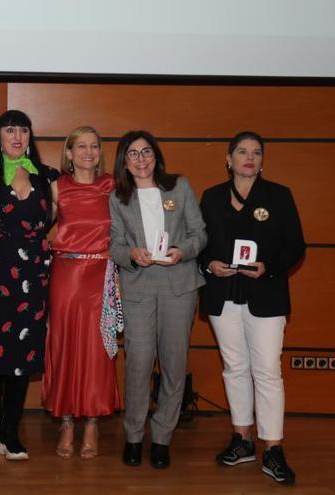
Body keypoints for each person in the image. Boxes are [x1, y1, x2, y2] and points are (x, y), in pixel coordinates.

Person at [199, 131, 305, 484]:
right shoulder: (212, 197)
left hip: (267, 295)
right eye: (242, 152)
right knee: (234, 367)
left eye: (256, 152)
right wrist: (209, 264)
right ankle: (242, 440)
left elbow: (295, 247)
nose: (249, 157)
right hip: (222, 293)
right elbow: (200, 244)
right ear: (228, 160)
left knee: (267, 371)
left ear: (262, 160)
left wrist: (269, 267)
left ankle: (272, 447)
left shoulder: (279, 195)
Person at [109, 130, 207, 469]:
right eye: (132, 153)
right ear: (124, 161)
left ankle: (162, 436)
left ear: (156, 155)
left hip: (178, 286)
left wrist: (183, 251)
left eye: (146, 151)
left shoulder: (178, 187)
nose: (140, 159)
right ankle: (134, 436)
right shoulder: (118, 197)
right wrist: (131, 254)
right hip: (138, 286)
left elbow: (200, 233)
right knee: (138, 363)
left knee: (174, 363)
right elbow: (115, 245)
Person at [0, 110, 57, 461]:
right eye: (10, 129)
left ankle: (11, 430)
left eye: (23, 129)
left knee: (24, 355)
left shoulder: (48, 177)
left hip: (34, 275)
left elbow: (62, 220)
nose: (17, 135)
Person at [42, 126, 122, 460]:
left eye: (94, 146)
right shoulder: (57, 187)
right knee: (64, 346)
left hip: (101, 275)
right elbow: (39, 231)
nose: (88, 152)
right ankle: (66, 421)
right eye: (81, 146)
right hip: (66, 275)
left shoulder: (112, 186)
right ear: (69, 152)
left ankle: (91, 422)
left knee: (97, 350)